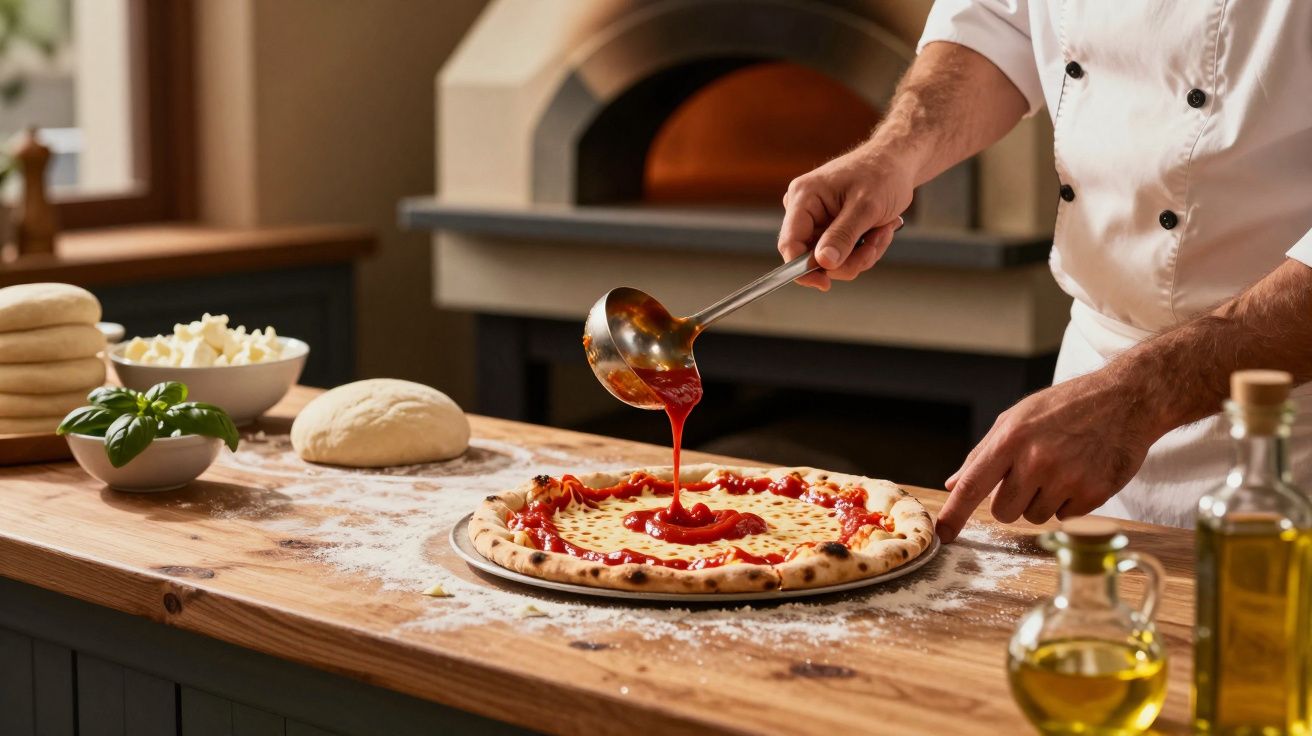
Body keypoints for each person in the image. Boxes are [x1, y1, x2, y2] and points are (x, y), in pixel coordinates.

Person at [777, 1, 1312, 541]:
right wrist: (893, 153)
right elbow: (994, 24)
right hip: (1090, 384)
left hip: (1290, 430)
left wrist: (1140, 396)